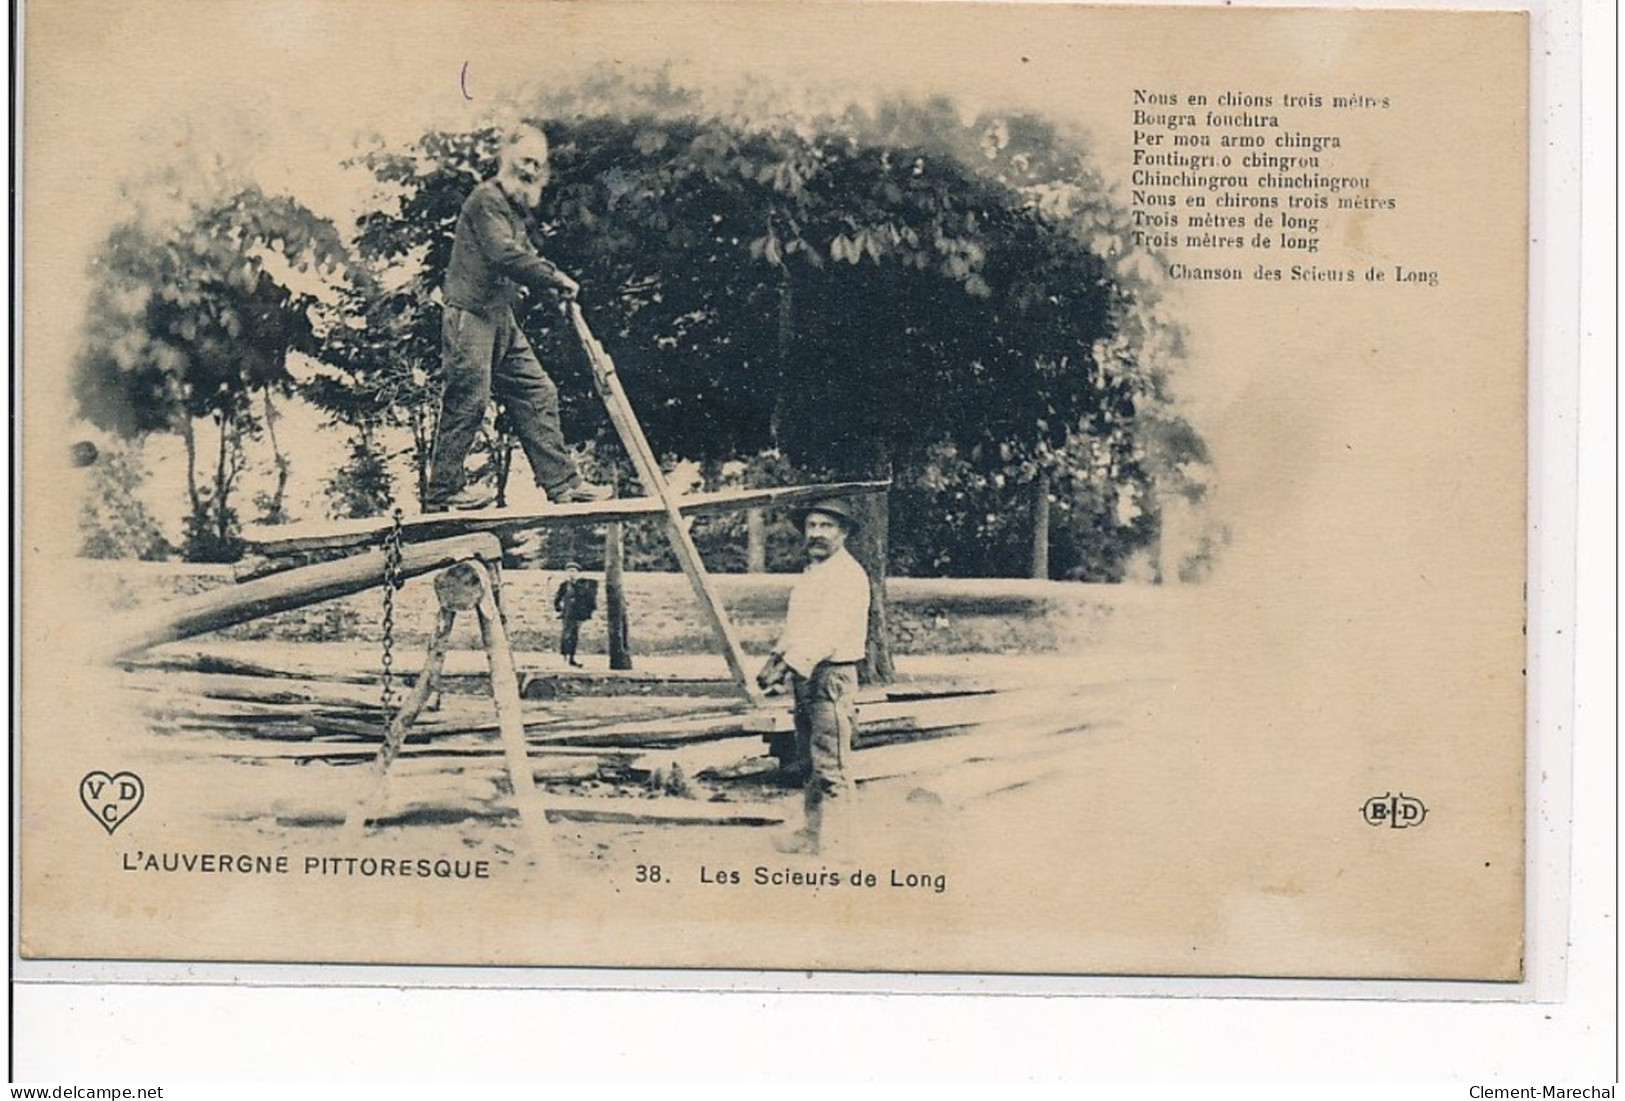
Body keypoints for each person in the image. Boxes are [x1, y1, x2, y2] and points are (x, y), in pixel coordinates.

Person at [425, 125, 612, 512]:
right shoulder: (485, 200)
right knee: (469, 398)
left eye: (538, 165)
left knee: (537, 391)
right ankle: (444, 490)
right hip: (470, 314)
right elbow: (504, 254)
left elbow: (526, 255)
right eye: (525, 161)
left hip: (499, 318)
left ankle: (562, 484)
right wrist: (554, 278)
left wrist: (554, 285)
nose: (530, 170)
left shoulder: (512, 210)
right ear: (507, 158)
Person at [755, 498, 871, 853]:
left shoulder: (847, 576)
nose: (817, 533)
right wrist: (774, 661)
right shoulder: (813, 574)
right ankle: (812, 835)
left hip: (831, 679)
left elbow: (827, 633)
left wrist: (790, 665)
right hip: (806, 678)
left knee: (831, 765)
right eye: (812, 526)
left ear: (844, 532)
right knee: (809, 764)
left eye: (826, 526)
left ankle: (844, 845)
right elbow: (798, 627)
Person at [553, 562, 598, 668]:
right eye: (569, 571)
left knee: (574, 635)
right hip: (567, 613)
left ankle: (571, 657)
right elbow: (558, 598)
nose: (571, 573)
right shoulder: (564, 585)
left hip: (578, 614)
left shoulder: (583, 585)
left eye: (573, 571)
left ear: (578, 572)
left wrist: (588, 612)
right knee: (566, 634)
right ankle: (565, 657)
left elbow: (589, 599)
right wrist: (558, 607)